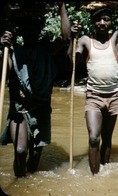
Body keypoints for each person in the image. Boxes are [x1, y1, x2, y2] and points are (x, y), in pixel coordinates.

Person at [0, 2, 70, 177]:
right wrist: (3, 45)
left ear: (39, 32)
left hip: (41, 108)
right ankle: (21, 182)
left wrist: (61, 6)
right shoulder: (14, 52)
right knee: (21, 151)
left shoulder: (45, 50)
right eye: (27, 30)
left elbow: (66, 37)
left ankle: (29, 180)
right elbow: (5, 71)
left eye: (34, 30)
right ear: (21, 33)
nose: (31, 33)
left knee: (35, 155)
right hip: (20, 109)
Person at [69, 2, 118, 175]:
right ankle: (95, 178)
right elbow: (72, 60)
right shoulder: (85, 40)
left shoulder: (115, 40)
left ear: (111, 22)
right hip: (94, 97)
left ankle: (104, 172)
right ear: (93, 22)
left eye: (106, 19)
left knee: (106, 139)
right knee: (93, 138)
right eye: (98, 20)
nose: (103, 23)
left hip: (114, 96)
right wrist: (71, 38)